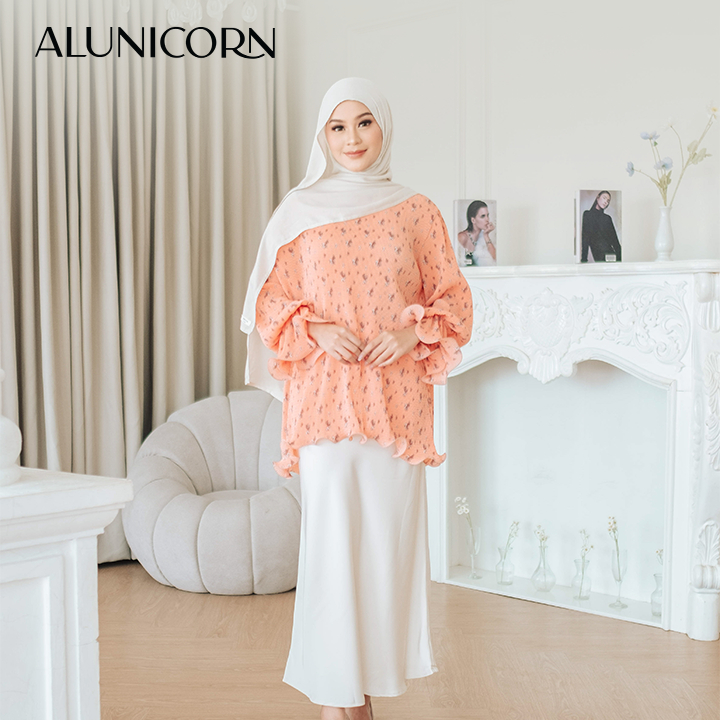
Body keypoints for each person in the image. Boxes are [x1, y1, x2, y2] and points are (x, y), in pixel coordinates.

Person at [241, 78, 473, 720]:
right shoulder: (297, 213)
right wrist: (316, 328)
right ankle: (336, 699)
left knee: (383, 553)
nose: (352, 138)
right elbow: (267, 303)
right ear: (323, 135)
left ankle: (361, 692)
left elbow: (454, 300)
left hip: (397, 407)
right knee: (332, 549)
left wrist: (409, 333)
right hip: (324, 404)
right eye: (338, 126)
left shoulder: (416, 211)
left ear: (384, 127)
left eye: (364, 122)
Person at [581, 190, 622, 262]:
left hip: (611, 256)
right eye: (604, 198)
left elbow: (615, 241)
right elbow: (585, 239)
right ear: (597, 197)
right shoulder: (587, 215)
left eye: (608, 201)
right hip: (599, 257)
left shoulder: (607, 218)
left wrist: (620, 260)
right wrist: (584, 260)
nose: (606, 202)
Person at [457, 200, 496, 266]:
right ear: (473, 220)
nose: (487, 219)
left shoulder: (483, 236)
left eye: (487, 215)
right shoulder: (462, 237)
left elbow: (495, 258)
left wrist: (486, 235)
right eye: (483, 216)